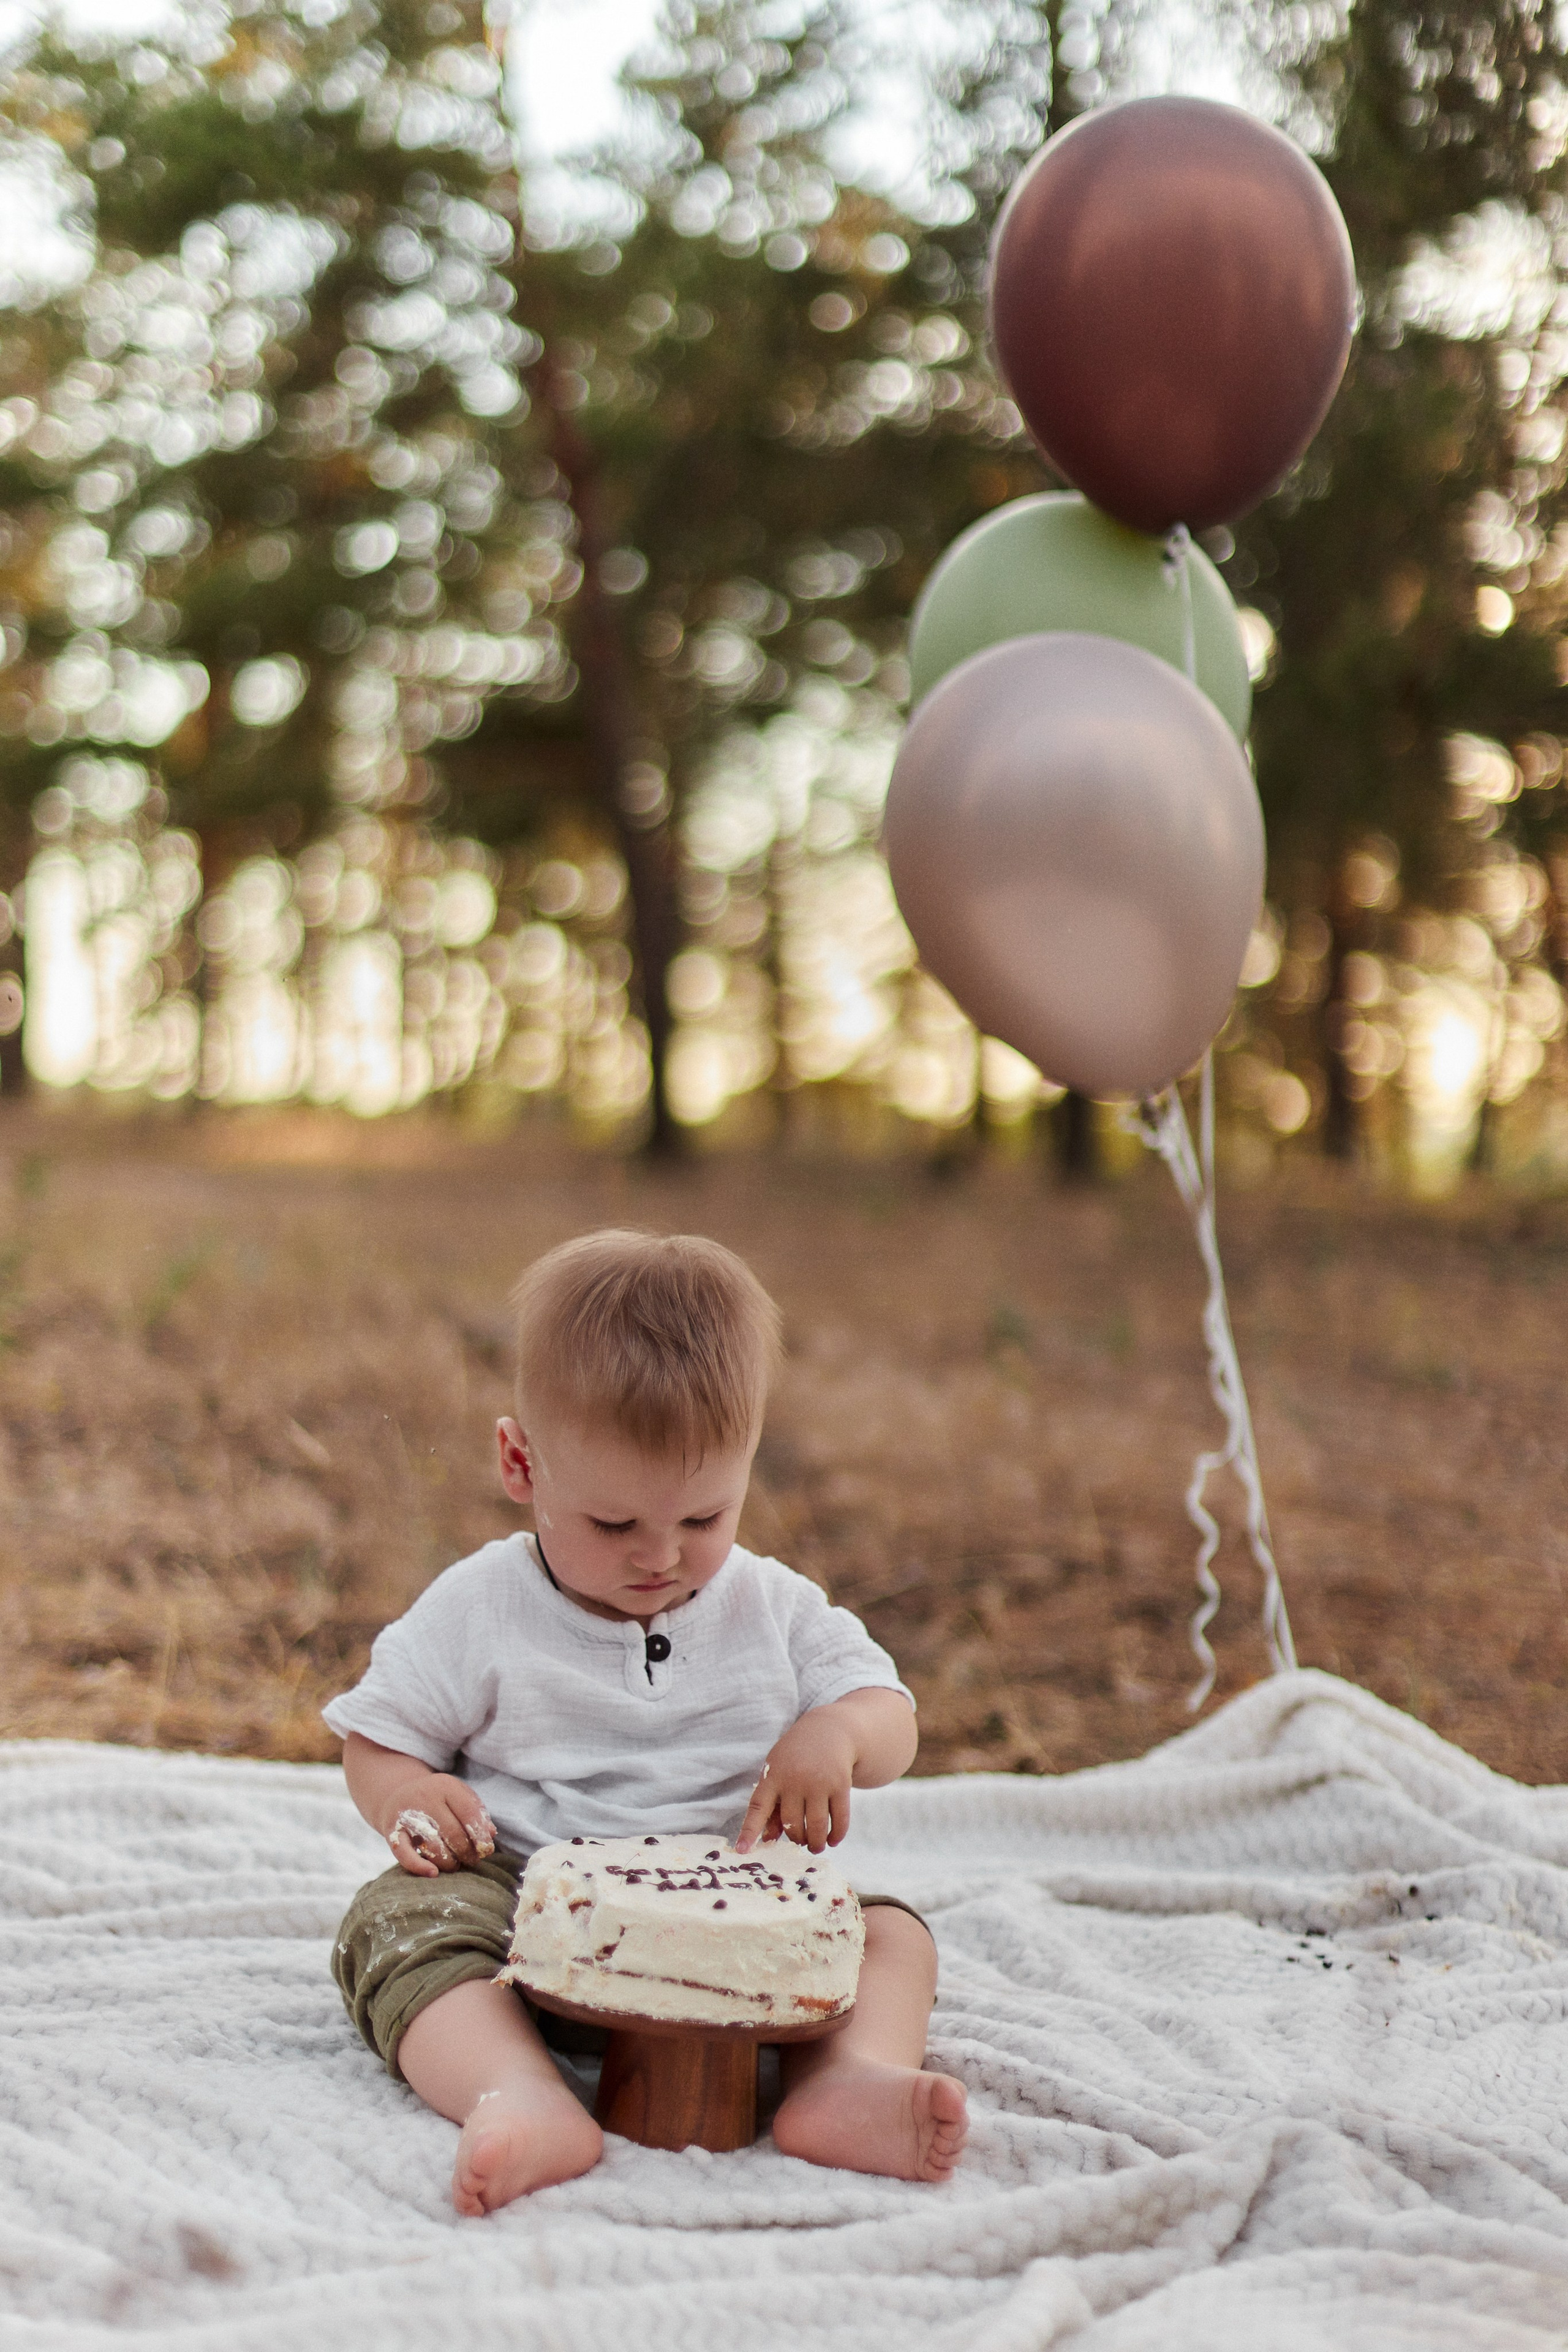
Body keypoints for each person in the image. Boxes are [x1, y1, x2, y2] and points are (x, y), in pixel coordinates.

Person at [324, 1229, 968, 2217]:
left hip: (739, 1918)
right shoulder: (482, 1606)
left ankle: (841, 2081)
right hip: (525, 1919)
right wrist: (411, 1793)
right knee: (396, 1923)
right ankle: (520, 2093)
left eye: (705, 1519)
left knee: (889, 1936)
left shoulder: (774, 1607)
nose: (661, 1557)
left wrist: (835, 1735)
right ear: (520, 1462)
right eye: (615, 1525)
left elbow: (892, 1719)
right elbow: (379, 1737)